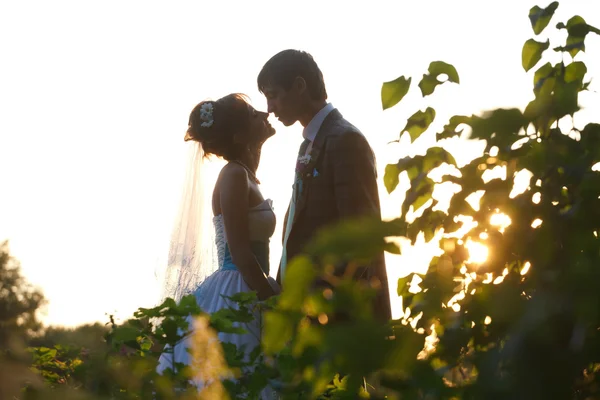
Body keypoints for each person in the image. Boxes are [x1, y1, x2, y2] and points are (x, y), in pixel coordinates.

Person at [156, 93, 279, 398]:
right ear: (239, 136)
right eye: (253, 114)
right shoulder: (234, 175)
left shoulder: (245, 176)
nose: (264, 113)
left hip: (251, 281)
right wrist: (272, 301)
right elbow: (240, 251)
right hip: (240, 286)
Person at [257, 49, 392, 322]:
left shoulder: (345, 140)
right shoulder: (309, 143)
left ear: (299, 86)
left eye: (273, 95)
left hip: (336, 314)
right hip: (305, 309)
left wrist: (326, 305)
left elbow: (360, 237)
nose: (269, 108)